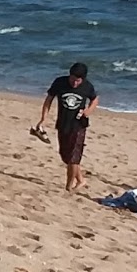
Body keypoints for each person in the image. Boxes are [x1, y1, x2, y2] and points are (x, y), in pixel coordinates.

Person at [36, 62, 99, 192]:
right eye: (73, 79)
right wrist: (43, 119)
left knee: (73, 158)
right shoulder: (60, 83)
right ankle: (81, 180)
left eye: (78, 81)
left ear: (83, 79)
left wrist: (88, 111)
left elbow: (95, 99)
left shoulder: (87, 86)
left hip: (79, 126)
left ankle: (68, 187)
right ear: (69, 75)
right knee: (65, 156)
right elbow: (49, 100)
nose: (75, 83)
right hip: (63, 124)